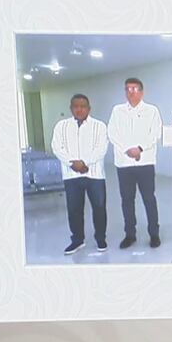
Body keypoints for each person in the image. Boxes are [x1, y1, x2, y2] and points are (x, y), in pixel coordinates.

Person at [108, 77, 163, 249]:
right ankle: (130, 234)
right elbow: (112, 133)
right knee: (127, 200)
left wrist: (139, 148)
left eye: (134, 89)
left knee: (149, 199)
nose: (130, 93)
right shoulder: (117, 111)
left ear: (142, 91)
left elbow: (155, 133)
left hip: (145, 162)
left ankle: (154, 234)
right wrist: (127, 149)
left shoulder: (152, 110)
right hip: (124, 164)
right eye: (127, 89)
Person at [51, 94, 109, 254]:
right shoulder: (61, 126)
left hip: (94, 175)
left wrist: (84, 163)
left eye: (83, 106)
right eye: (76, 106)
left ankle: (101, 239)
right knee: (74, 209)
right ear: (71, 108)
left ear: (89, 108)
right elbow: (57, 147)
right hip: (71, 175)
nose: (79, 109)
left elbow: (101, 148)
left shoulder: (99, 126)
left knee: (99, 208)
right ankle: (77, 240)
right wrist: (73, 163)